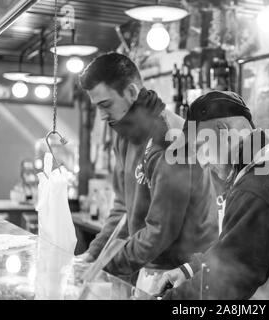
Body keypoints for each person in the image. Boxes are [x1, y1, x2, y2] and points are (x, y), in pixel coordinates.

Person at [156, 91, 269, 300]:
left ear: (223, 132)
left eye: (202, 147)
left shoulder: (258, 186)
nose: (203, 162)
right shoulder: (261, 166)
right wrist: (190, 270)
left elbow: (227, 281)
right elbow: (233, 247)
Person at [77, 53, 217, 295]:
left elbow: (160, 230)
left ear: (131, 92)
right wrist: (93, 253)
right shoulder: (124, 136)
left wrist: (105, 266)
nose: (101, 116)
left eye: (105, 105)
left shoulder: (172, 140)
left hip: (186, 276)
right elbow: (122, 208)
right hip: (148, 269)